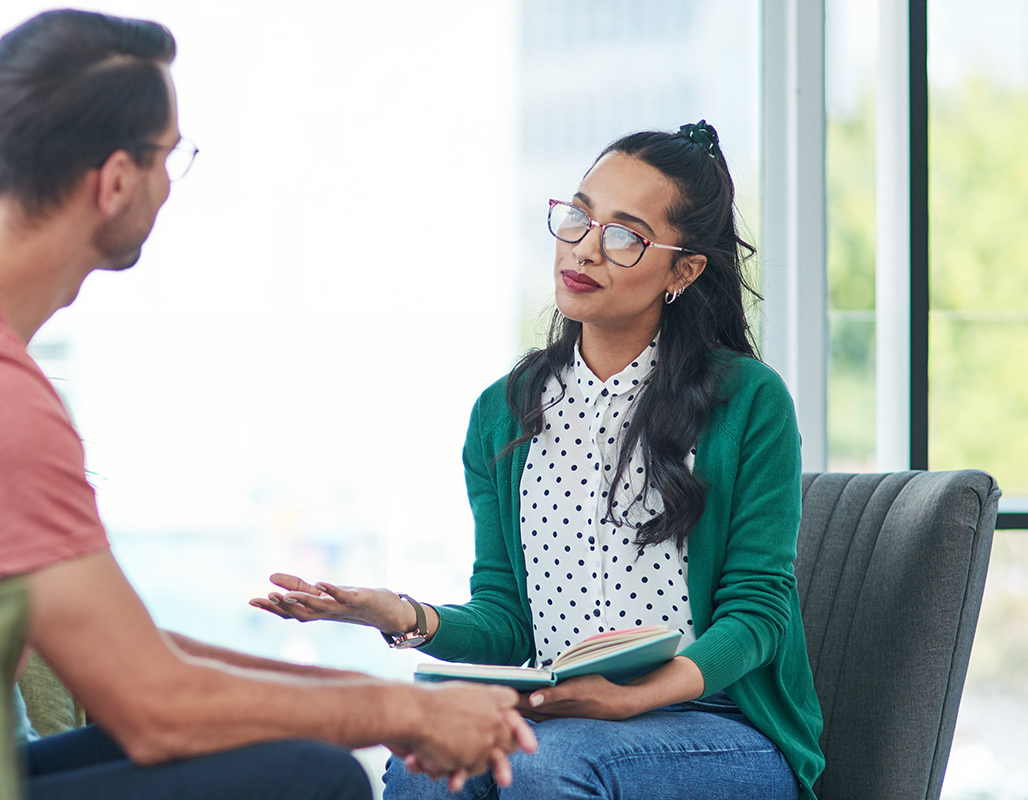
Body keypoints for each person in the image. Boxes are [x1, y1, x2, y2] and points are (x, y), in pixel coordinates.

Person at [0, 10, 535, 800]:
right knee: (307, 776)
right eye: (168, 159)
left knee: (291, 745)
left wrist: (397, 707)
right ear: (115, 181)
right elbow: (152, 709)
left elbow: (135, 657)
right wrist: (397, 709)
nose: (168, 186)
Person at [250, 123, 825, 799]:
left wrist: (629, 700)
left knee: (544, 766)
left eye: (624, 235)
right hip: (564, 715)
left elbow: (756, 616)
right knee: (425, 768)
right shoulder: (504, 412)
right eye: (579, 217)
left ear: (683, 270)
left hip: (720, 725)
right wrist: (400, 616)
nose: (585, 248)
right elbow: (508, 623)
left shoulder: (748, 401)